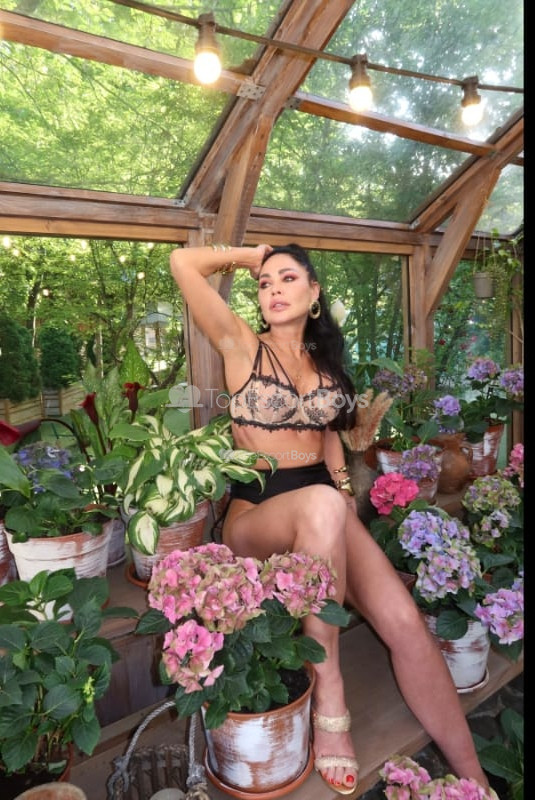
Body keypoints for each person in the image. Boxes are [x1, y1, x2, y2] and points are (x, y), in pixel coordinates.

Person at [169, 242, 492, 797]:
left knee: (406, 621)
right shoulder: (241, 343)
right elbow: (183, 263)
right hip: (257, 513)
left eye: (288, 278)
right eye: (265, 282)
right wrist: (253, 255)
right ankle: (330, 689)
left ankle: (477, 779)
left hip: (321, 506)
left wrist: (344, 492)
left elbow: (328, 439)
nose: (273, 288)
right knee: (321, 504)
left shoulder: (325, 365)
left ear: (314, 292)